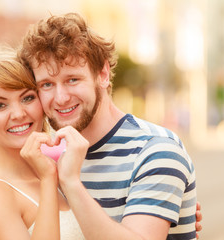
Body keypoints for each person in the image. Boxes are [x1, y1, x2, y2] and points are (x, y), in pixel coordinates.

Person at [18, 12, 200, 239]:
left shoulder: (157, 150)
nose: (61, 97)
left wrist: (71, 183)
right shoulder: (47, 161)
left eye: (72, 79)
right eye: (46, 84)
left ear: (103, 74)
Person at [0, 47, 84, 239]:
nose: (18, 114)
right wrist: (48, 179)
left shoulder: (63, 168)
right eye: (0, 105)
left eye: (27, 98)